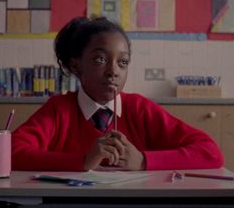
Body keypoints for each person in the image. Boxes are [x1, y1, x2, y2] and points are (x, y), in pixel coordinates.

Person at [12, 16, 223, 171]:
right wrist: (83, 161)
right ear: (76, 66)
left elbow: (210, 152)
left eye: (122, 62)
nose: (113, 71)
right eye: (100, 59)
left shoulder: (140, 109)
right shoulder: (59, 110)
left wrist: (142, 160)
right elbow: (9, 153)